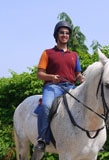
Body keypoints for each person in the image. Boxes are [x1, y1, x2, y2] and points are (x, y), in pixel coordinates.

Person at [34, 21, 85, 152]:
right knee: (45, 106)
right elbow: (39, 74)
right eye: (62, 32)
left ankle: (90, 141)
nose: (64, 35)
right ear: (56, 35)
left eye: (67, 33)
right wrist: (51, 77)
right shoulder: (47, 53)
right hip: (53, 87)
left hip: (71, 87)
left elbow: (77, 74)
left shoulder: (74, 55)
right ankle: (42, 139)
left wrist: (81, 78)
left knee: (86, 104)